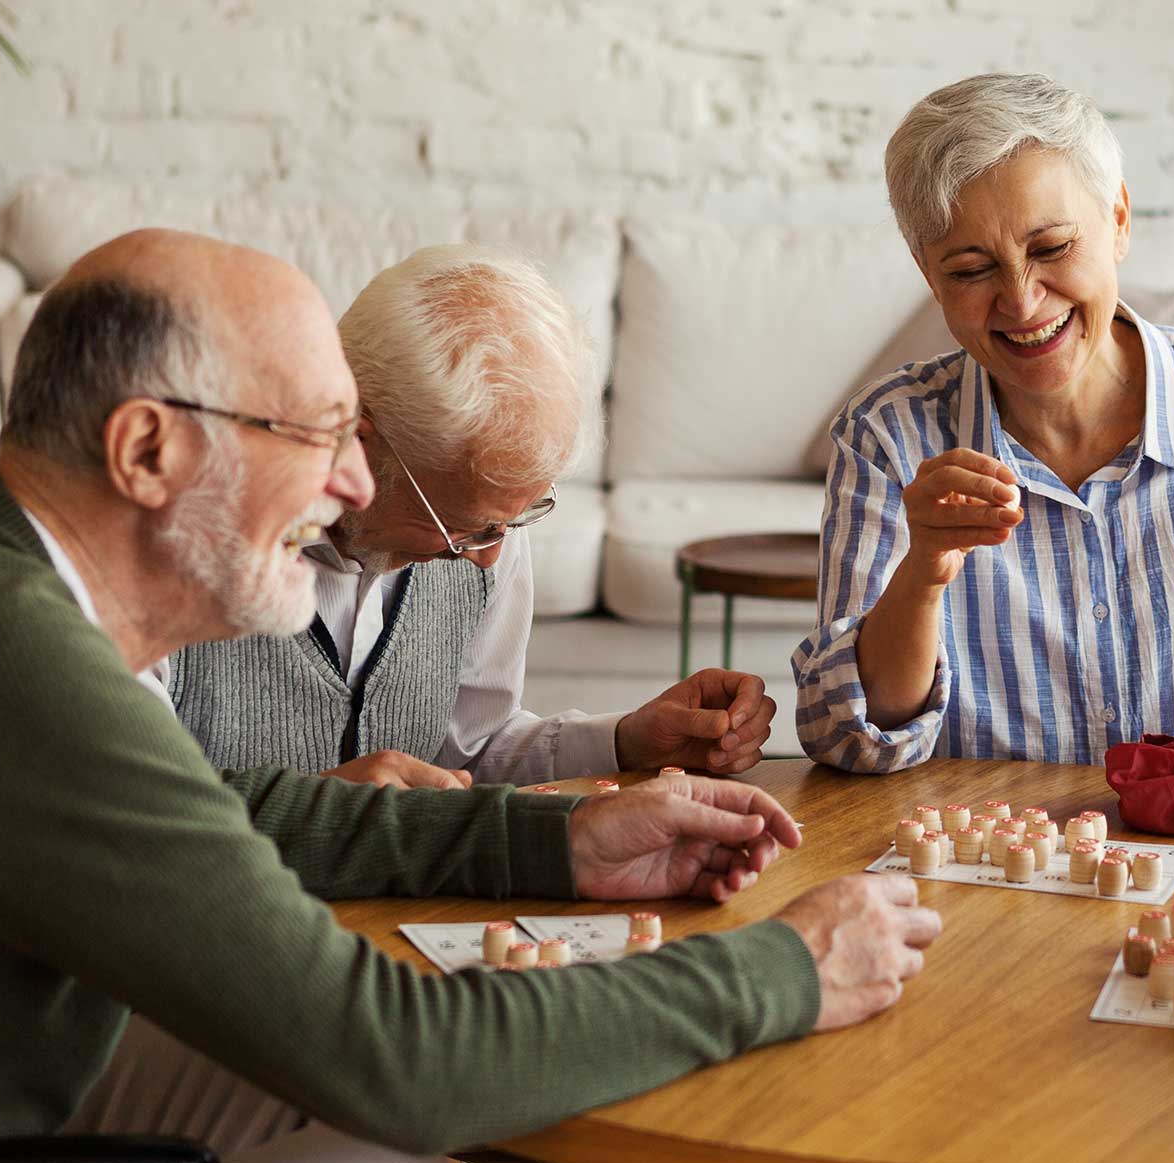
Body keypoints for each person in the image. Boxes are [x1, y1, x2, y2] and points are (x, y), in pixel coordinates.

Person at [0, 229, 939, 1163]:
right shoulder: (5, 655)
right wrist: (781, 967)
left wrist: (547, 844)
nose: (350, 485)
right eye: (312, 435)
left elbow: (217, 809)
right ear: (147, 448)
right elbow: (394, 1054)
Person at [793, 72, 1174, 787]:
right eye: (971, 268)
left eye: (1050, 249)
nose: (1021, 301)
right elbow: (847, 734)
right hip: (982, 876)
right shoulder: (887, 434)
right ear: (930, 276)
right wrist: (923, 574)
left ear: (1118, 221)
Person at [158, 243, 775, 792]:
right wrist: (321, 804)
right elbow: (112, 812)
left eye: (519, 517)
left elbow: (469, 750)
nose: (488, 557)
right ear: (358, 439)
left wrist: (627, 742)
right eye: (465, 527)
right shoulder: (177, 541)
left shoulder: (490, 521)